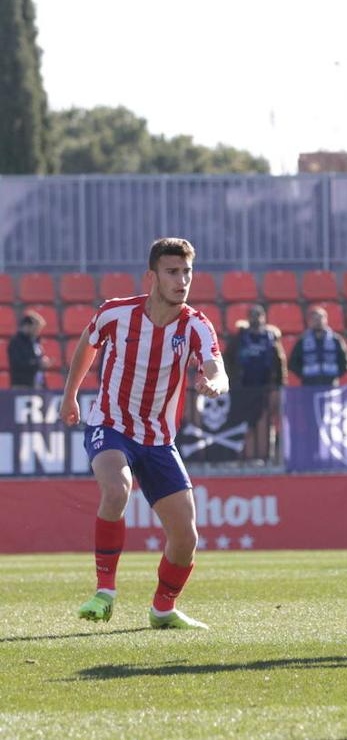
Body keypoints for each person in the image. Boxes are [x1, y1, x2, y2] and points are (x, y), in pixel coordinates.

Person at [60, 237, 228, 630]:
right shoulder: (116, 314)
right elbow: (89, 343)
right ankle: (105, 592)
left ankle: (163, 609)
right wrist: (70, 396)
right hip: (110, 424)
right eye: (173, 272)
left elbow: (216, 367)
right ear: (151, 276)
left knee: (186, 539)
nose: (182, 280)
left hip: (158, 439)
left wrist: (215, 384)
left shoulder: (196, 325)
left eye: (187, 272)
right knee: (117, 490)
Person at [224, 304, 287, 462]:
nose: (256, 319)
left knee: (265, 423)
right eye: (253, 315)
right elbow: (227, 359)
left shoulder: (270, 338)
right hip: (243, 389)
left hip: (264, 389)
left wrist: (280, 385)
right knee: (241, 423)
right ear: (248, 318)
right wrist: (231, 380)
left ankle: (266, 456)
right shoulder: (240, 338)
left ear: (264, 318)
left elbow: (280, 362)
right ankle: (239, 457)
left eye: (259, 315)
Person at [288, 306, 347, 387]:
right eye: (314, 319)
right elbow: (293, 363)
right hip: (308, 385)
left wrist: (335, 376)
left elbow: (345, 362)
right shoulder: (302, 341)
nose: (318, 321)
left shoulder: (335, 340)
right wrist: (304, 376)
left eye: (320, 318)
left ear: (326, 320)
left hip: (330, 385)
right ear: (309, 321)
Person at [8, 311, 51, 388]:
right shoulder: (16, 342)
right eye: (35, 329)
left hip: (37, 384)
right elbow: (17, 364)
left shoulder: (34, 342)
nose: (37, 332)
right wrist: (38, 363)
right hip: (22, 385)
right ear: (27, 326)